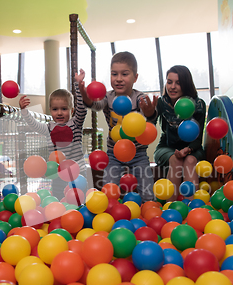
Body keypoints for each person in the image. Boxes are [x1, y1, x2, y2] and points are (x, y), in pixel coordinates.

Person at [79, 51, 157, 202]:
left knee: (147, 192)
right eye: (114, 74)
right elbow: (96, 105)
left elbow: (150, 122)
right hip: (114, 153)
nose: (119, 79)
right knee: (109, 189)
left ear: (135, 77)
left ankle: (149, 210)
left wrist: (150, 112)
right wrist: (85, 96)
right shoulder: (108, 97)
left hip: (138, 153)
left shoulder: (140, 98)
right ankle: (109, 213)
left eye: (125, 74)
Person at [19, 69, 90, 200]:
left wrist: (78, 86)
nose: (59, 113)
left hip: (77, 172)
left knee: (79, 199)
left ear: (71, 110)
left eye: (64, 109)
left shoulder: (75, 124)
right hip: (58, 173)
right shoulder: (48, 128)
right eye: (55, 109)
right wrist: (24, 112)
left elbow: (82, 109)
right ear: (50, 110)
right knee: (59, 197)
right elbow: (34, 125)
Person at [149, 65, 206, 201]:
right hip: (167, 147)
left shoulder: (198, 105)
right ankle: (172, 208)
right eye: (169, 82)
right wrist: (149, 112)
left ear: (186, 84)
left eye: (178, 83)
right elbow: (150, 125)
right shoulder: (162, 102)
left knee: (190, 160)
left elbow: (198, 139)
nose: (172, 87)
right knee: (176, 159)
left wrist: (187, 149)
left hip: (193, 148)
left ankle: (193, 208)